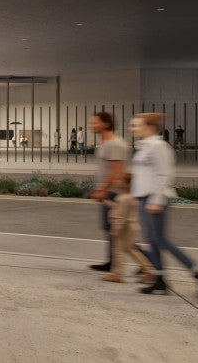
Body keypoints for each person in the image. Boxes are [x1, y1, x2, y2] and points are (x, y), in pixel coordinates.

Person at [130, 113, 198, 297]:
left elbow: (165, 174)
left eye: (137, 125)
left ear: (150, 126)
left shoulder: (159, 146)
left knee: (160, 240)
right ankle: (160, 279)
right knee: (153, 241)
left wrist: (156, 200)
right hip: (144, 198)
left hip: (153, 198)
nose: (133, 128)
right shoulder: (146, 146)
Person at [87, 112, 127, 274]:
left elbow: (116, 172)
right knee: (110, 229)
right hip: (107, 191)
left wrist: (103, 190)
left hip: (113, 193)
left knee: (117, 230)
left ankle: (148, 261)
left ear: (106, 123)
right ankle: (111, 261)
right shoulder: (104, 143)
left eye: (95, 123)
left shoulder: (115, 143)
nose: (92, 125)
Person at [99, 173, 154, 284]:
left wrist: (115, 230)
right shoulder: (131, 197)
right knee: (130, 249)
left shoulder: (123, 198)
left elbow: (120, 216)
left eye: (121, 181)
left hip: (124, 227)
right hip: (132, 226)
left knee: (118, 250)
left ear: (127, 184)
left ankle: (117, 274)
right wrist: (107, 202)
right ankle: (149, 270)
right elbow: (120, 208)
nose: (118, 183)